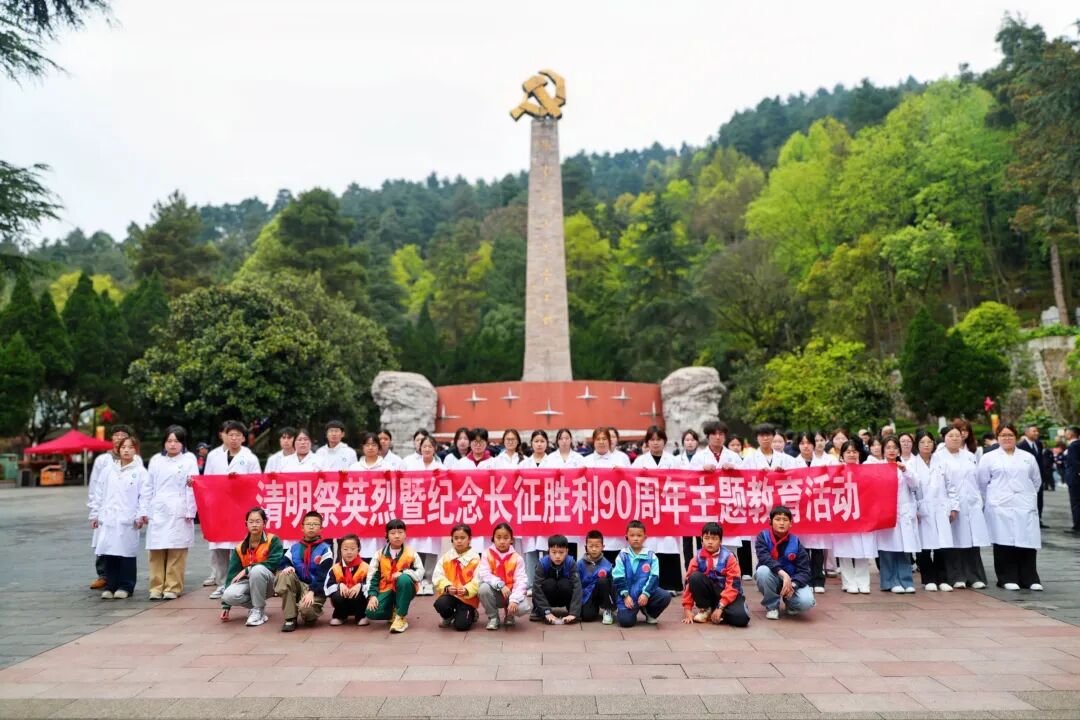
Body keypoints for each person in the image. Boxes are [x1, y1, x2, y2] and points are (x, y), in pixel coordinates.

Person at [979, 424, 1043, 591]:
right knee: (1003, 542)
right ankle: (1007, 578)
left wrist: (1026, 496)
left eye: (1010, 435)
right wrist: (994, 498)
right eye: (1003, 435)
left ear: (1016, 437)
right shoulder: (989, 457)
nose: (1007, 438)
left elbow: (1036, 480)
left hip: (1024, 504)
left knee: (1027, 541)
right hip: (1000, 506)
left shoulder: (1027, 457)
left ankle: (1029, 578)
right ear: (997, 438)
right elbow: (982, 482)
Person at [204, 420, 262, 600]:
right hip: (219, 508)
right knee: (219, 548)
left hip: (240, 508)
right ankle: (222, 583)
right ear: (225, 437)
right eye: (231, 435)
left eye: (238, 435)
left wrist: (240, 480)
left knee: (239, 548)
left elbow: (257, 482)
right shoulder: (214, 457)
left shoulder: (250, 458)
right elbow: (207, 481)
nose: (234, 438)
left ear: (243, 438)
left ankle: (238, 583)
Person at [139, 425, 198, 600]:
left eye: (176, 441)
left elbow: (192, 487)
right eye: (169, 441)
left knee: (177, 549)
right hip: (158, 508)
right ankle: (156, 587)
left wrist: (190, 510)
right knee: (156, 549)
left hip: (179, 506)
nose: (172, 444)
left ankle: (173, 587)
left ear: (183, 443)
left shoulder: (189, 460)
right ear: (164, 442)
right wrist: (144, 510)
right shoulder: (156, 460)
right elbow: (148, 487)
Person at [89, 435, 147, 599]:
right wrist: (95, 514)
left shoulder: (140, 472)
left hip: (128, 519)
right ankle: (111, 585)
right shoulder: (108, 470)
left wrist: (141, 515)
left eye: (130, 447)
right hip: (108, 518)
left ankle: (126, 586)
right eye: (123, 447)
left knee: (126, 553)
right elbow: (99, 492)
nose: (126, 450)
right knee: (109, 552)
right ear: (118, 449)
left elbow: (145, 496)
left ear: (136, 450)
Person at [938, 424, 990, 589]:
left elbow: (977, 480)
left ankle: (975, 576)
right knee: (954, 541)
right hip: (952, 505)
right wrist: (950, 505)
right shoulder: (938, 457)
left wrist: (979, 500)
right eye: (950, 436)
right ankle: (957, 576)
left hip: (971, 504)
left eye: (957, 435)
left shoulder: (969, 456)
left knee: (973, 541)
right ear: (943, 438)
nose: (955, 438)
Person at [220, 507, 284, 627]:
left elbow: (275, 562)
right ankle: (257, 608)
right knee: (227, 596)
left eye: (258, 521)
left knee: (257, 570)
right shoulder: (240, 547)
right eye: (251, 522)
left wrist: (248, 569)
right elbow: (232, 575)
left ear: (265, 523)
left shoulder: (273, 540)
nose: (254, 525)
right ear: (246, 524)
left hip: (270, 583)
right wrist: (226, 606)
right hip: (249, 584)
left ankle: (258, 610)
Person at [88, 424, 134, 589]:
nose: (119, 438)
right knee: (103, 541)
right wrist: (94, 510)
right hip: (106, 508)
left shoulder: (135, 460)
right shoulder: (103, 460)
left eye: (123, 435)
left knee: (122, 542)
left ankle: (121, 578)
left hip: (124, 508)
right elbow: (95, 485)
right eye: (116, 435)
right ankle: (103, 575)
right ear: (111, 438)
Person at [912, 430, 957, 592]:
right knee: (924, 547)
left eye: (929, 442)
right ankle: (928, 578)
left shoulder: (942, 462)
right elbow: (910, 490)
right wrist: (914, 509)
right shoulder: (912, 464)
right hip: (922, 510)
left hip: (941, 508)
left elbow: (951, 486)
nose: (926, 445)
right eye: (923, 442)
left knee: (942, 545)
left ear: (934, 444)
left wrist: (954, 507)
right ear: (917, 444)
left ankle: (943, 578)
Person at [682, 522, 749, 627]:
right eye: (706, 538)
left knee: (741, 619)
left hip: (727, 593)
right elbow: (688, 584)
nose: (710, 542)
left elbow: (734, 585)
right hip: (709, 592)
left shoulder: (729, 557)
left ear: (721, 541)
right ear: (702, 540)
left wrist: (721, 606)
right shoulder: (697, 558)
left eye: (714, 539)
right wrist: (687, 608)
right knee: (694, 577)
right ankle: (706, 608)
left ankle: (719, 611)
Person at [274, 510, 333, 631]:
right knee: (285, 574)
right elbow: (282, 563)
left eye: (315, 524)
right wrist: (287, 566)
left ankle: (309, 612)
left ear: (321, 528)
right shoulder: (294, 547)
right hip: (299, 585)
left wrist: (312, 591)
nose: (311, 527)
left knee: (307, 611)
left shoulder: (325, 549)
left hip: (315, 589)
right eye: (308, 524)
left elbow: (323, 575)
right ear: (302, 527)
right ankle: (290, 618)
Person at [876, 436, 921, 593]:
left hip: (903, 512)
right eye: (888, 447)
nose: (892, 450)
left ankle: (906, 580)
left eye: (895, 447)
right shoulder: (878, 468)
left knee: (904, 547)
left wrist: (905, 471)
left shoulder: (905, 466)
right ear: (883, 450)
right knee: (888, 548)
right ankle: (890, 581)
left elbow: (915, 485)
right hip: (886, 512)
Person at [754, 505, 815, 620]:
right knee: (762, 571)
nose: (781, 523)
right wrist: (783, 573)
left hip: (792, 580)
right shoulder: (763, 537)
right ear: (770, 521)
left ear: (790, 523)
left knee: (806, 602)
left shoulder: (795, 542)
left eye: (785, 520)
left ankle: (790, 603)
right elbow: (764, 558)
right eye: (777, 519)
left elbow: (804, 571)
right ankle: (772, 607)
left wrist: (793, 584)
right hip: (773, 577)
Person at [831, 441, 876, 594]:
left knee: (862, 550)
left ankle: (863, 582)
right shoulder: (836, 471)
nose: (851, 454)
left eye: (854, 451)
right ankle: (849, 582)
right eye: (848, 452)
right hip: (843, 514)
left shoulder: (866, 471)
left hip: (861, 514)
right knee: (845, 550)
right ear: (842, 455)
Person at [793, 431, 835, 593]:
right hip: (801, 509)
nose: (806, 446)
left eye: (809, 443)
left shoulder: (825, 462)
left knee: (818, 547)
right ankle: (805, 579)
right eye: (802, 443)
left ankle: (818, 579)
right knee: (802, 548)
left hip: (819, 508)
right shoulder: (793, 463)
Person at [365, 519, 423, 633]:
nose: (397, 536)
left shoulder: (411, 553)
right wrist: (372, 595)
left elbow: (420, 573)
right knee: (371, 612)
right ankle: (393, 611)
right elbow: (372, 577)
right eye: (392, 533)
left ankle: (400, 617)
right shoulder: (379, 554)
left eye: (400, 532)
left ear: (405, 534)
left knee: (404, 579)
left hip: (406, 587)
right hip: (386, 589)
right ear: (386, 535)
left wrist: (404, 572)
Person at [401, 434, 444, 586]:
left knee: (431, 545)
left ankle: (428, 578)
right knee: (416, 544)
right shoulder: (412, 466)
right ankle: (416, 576)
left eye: (430, 446)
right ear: (420, 448)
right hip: (416, 510)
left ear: (435, 448)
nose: (427, 449)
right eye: (424, 446)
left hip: (433, 511)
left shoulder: (441, 468)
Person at [612, 520, 671, 627]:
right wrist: (625, 596)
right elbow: (618, 577)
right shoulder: (622, 555)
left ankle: (649, 612)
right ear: (626, 537)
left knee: (665, 596)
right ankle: (631, 611)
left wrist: (646, 594)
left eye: (639, 535)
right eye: (632, 535)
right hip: (628, 595)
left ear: (645, 537)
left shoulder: (651, 556)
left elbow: (654, 577)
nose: (636, 538)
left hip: (645, 593)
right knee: (626, 622)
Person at [477, 522, 532, 630]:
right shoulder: (486, 554)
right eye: (498, 537)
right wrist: (500, 585)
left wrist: (514, 600)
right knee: (483, 589)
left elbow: (521, 580)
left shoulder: (517, 558)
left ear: (511, 540)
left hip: (511, 593)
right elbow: (484, 574)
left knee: (522, 608)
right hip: (495, 592)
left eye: (506, 538)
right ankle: (493, 618)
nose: (502, 541)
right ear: (493, 539)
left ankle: (510, 615)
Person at [432, 523, 481, 631]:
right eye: (456, 538)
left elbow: (478, 579)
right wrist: (447, 587)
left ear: (469, 539)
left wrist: (467, 590)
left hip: (467, 598)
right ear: (452, 539)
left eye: (463, 538)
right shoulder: (446, 557)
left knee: (461, 626)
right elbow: (437, 576)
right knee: (440, 604)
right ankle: (448, 616)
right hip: (450, 595)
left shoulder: (476, 559)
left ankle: (472, 612)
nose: (459, 541)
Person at [530, 534, 582, 624]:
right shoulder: (542, 564)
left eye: (561, 552)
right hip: (549, 597)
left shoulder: (571, 563)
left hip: (564, 596)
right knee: (549, 583)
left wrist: (574, 612)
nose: (557, 556)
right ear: (548, 551)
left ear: (567, 551)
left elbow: (577, 587)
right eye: (554, 552)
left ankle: (570, 610)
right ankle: (539, 609)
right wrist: (546, 612)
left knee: (565, 583)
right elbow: (536, 588)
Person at [324, 534, 370, 626]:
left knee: (359, 592)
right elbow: (327, 587)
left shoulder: (366, 567)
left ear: (358, 549)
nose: (349, 552)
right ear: (340, 550)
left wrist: (360, 586)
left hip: (359, 601)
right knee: (337, 595)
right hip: (342, 602)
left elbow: (372, 585)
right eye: (345, 549)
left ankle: (361, 616)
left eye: (352, 549)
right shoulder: (335, 568)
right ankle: (340, 616)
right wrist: (339, 586)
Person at [1018, 423, 1052, 529]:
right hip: (1027, 478)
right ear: (1026, 433)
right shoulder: (1021, 446)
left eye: (1037, 431)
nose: (1037, 433)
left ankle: (1039, 519)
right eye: (1034, 431)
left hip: (1039, 476)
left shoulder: (1038, 444)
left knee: (1039, 498)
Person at [578, 529, 615, 624]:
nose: (594, 549)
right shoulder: (580, 564)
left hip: (603, 593)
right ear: (586, 547)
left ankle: (607, 609)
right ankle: (593, 607)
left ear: (603, 547)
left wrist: (615, 602)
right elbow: (577, 584)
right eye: (591, 546)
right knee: (587, 616)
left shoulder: (607, 565)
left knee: (603, 581)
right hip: (587, 594)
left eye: (597, 546)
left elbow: (613, 586)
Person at [1065, 426, 1080, 534]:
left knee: (1075, 502)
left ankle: (1077, 526)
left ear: (1071, 434)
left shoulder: (1073, 446)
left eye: (1066, 432)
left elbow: (1075, 462)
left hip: (1075, 478)